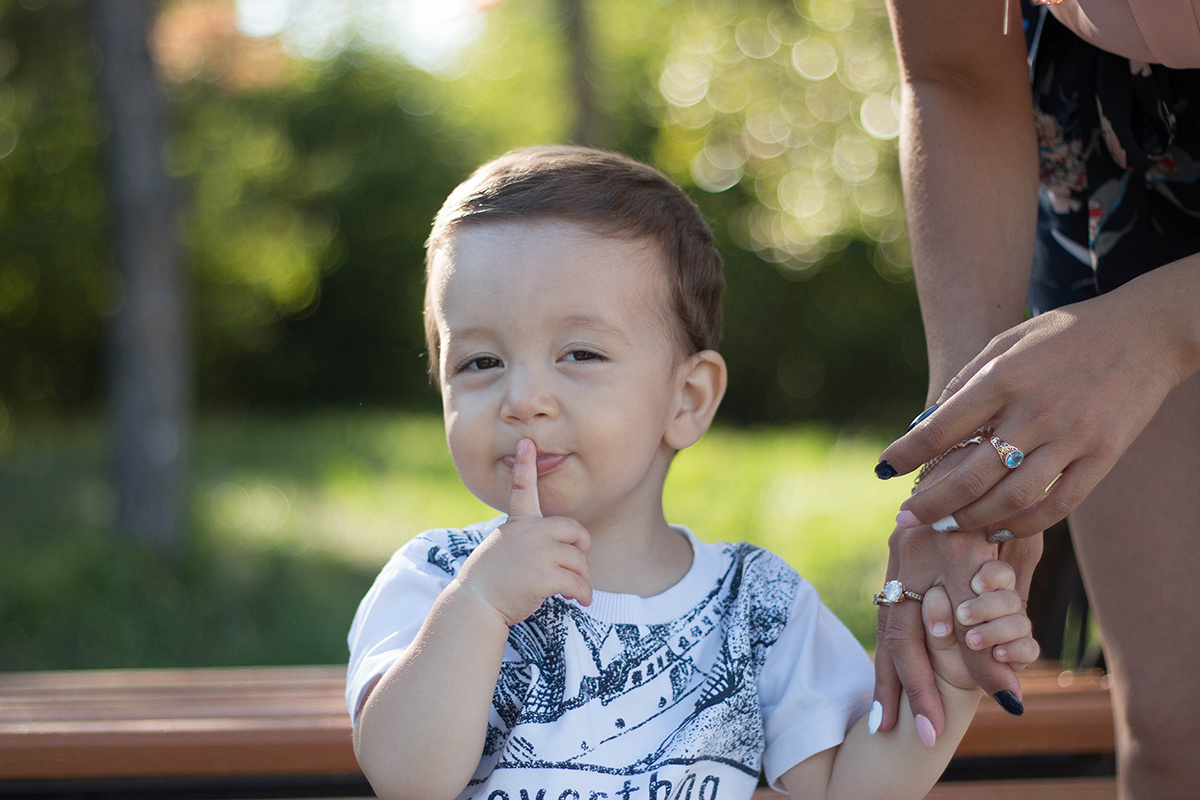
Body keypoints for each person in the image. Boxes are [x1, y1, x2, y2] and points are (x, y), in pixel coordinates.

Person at [345, 146, 1039, 800]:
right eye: (480, 362)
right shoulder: (435, 580)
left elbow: (846, 787)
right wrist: (479, 604)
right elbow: (408, 779)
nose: (522, 398)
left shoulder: (756, 606)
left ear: (688, 399)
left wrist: (951, 680)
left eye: (580, 354)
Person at [871, 1, 1200, 796]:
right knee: (1180, 731)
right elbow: (957, 74)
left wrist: (1160, 328)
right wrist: (967, 442)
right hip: (1118, 166)